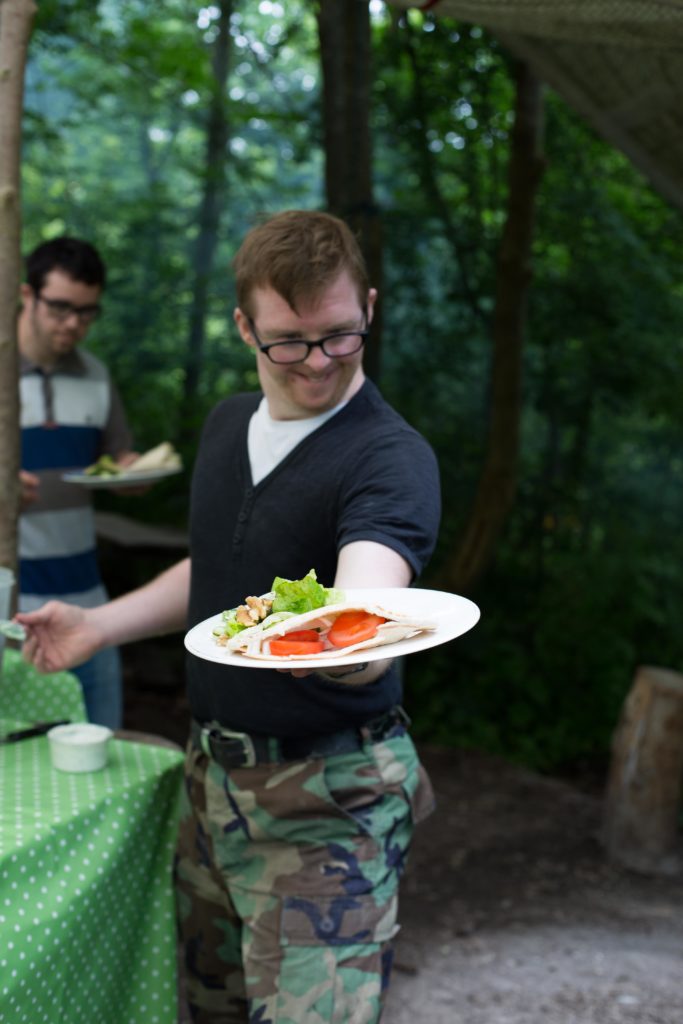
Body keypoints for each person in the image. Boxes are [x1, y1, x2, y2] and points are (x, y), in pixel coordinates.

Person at [18, 210, 441, 1024]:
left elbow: (369, 593)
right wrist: (99, 627)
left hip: (329, 804)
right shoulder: (223, 427)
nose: (317, 362)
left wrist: (355, 639)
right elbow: (213, 572)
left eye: (340, 335)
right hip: (209, 785)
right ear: (244, 326)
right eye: (288, 340)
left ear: (371, 309)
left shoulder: (390, 457)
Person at [17, 236, 138, 729]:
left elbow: (117, 462)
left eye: (87, 312)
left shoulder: (96, 375)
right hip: (12, 613)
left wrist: (131, 474)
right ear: (27, 296)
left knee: (100, 745)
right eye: (60, 308)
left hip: (88, 603)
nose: (73, 323)